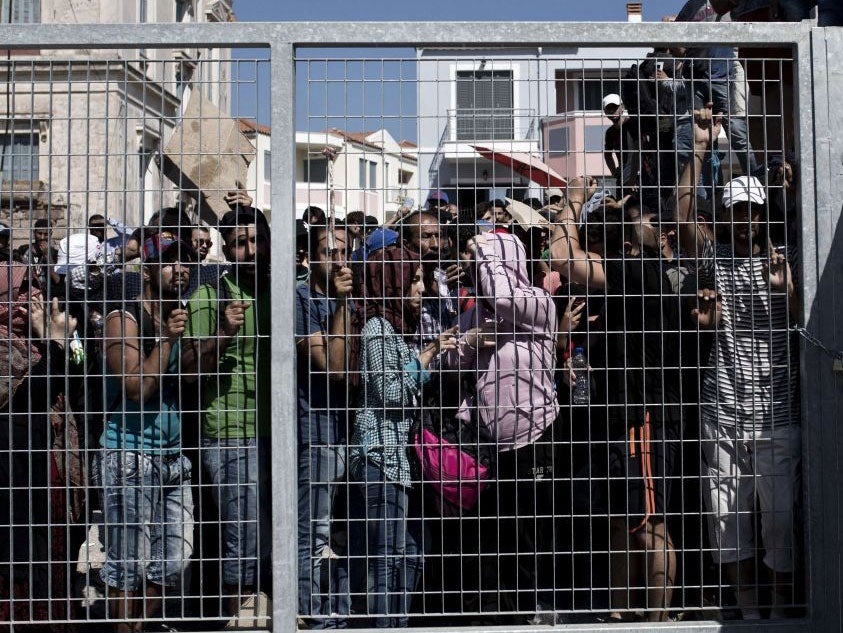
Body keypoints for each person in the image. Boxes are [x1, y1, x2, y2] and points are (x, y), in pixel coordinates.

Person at [677, 106, 800, 620]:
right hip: (724, 412)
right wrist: (700, 147)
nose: (746, 218)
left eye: (754, 209)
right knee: (727, 521)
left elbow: (804, 319)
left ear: (762, 210)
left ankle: (779, 610)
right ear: (724, 215)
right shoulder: (714, 260)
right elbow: (682, 218)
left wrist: (787, 292)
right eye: (736, 210)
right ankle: (749, 613)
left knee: (779, 525)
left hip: (777, 413)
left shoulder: (786, 253)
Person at [550, 178, 682, 623]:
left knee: (650, 527)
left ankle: (657, 624)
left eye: (636, 220)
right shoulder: (633, 275)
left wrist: (570, 202)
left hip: (640, 417)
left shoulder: (637, 269)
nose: (627, 228)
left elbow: (561, 257)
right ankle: (621, 615)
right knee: (622, 526)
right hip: (620, 415)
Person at [442, 232, 559, 622]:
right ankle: (494, 617)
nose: (477, 270)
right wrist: (472, 341)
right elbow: (449, 361)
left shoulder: (537, 301)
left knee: (527, 537)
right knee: (491, 537)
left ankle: (523, 616)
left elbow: (507, 298)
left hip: (534, 436)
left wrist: (485, 252)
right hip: (488, 446)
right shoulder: (476, 313)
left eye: (485, 263)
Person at [349, 245, 456, 628]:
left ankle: (398, 623)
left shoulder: (396, 329)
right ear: (391, 282)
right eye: (412, 281)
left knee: (412, 551)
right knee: (386, 554)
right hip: (381, 458)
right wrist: (426, 357)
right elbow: (390, 391)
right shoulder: (377, 328)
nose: (420, 289)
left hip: (402, 463)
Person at [98, 233, 196, 632]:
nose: (181, 269)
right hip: (129, 455)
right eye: (171, 261)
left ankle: (138, 627)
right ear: (150, 269)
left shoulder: (179, 313)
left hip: (173, 456)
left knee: (174, 558)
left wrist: (220, 333)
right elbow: (138, 387)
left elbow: (190, 374)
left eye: (186, 260)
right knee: (127, 565)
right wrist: (169, 339)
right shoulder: (125, 317)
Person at [182, 205, 272, 618]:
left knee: (271, 533)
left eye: (256, 240)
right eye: (239, 243)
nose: (250, 251)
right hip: (232, 431)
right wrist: (223, 332)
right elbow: (187, 370)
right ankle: (239, 616)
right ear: (226, 249)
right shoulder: (210, 297)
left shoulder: (282, 294)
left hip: (280, 431)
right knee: (243, 536)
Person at [0, 265, 80, 627]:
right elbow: (31, 396)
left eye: (35, 289)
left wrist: (55, 339)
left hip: (48, 468)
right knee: (17, 563)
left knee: (50, 557)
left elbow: (77, 382)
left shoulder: (37, 343)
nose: (32, 299)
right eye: (21, 291)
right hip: (13, 476)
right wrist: (56, 343)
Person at [295, 223, 354, 627]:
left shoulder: (356, 298)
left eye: (343, 251)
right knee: (313, 533)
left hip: (351, 431)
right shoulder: (300, 300)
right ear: (309, 257)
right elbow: (332, 367)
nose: (336, 259)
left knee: (346, 533)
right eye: (326, 251)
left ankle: (342, 613)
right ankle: (313, 615)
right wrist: (341, 306)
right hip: (315, 433)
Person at [602, 93, 637, 195]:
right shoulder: (610, 132)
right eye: (608, 108)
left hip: (639, 174)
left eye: (615, 107)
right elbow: (607, 155)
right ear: (605, 112)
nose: (612, 111)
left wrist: (634, 175)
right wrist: (614, 173)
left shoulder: (632, 124)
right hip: (623, 175)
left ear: (622, 108)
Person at [17, 218, 60, 295]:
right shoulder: (24, 250)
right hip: (27, 294)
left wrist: (47, 256)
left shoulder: (55, 254)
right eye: (39, 233)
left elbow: (57, 280)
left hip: (47, 295)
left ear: (51, 234)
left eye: (46, 234)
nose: (42, 237)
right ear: (34, 232)